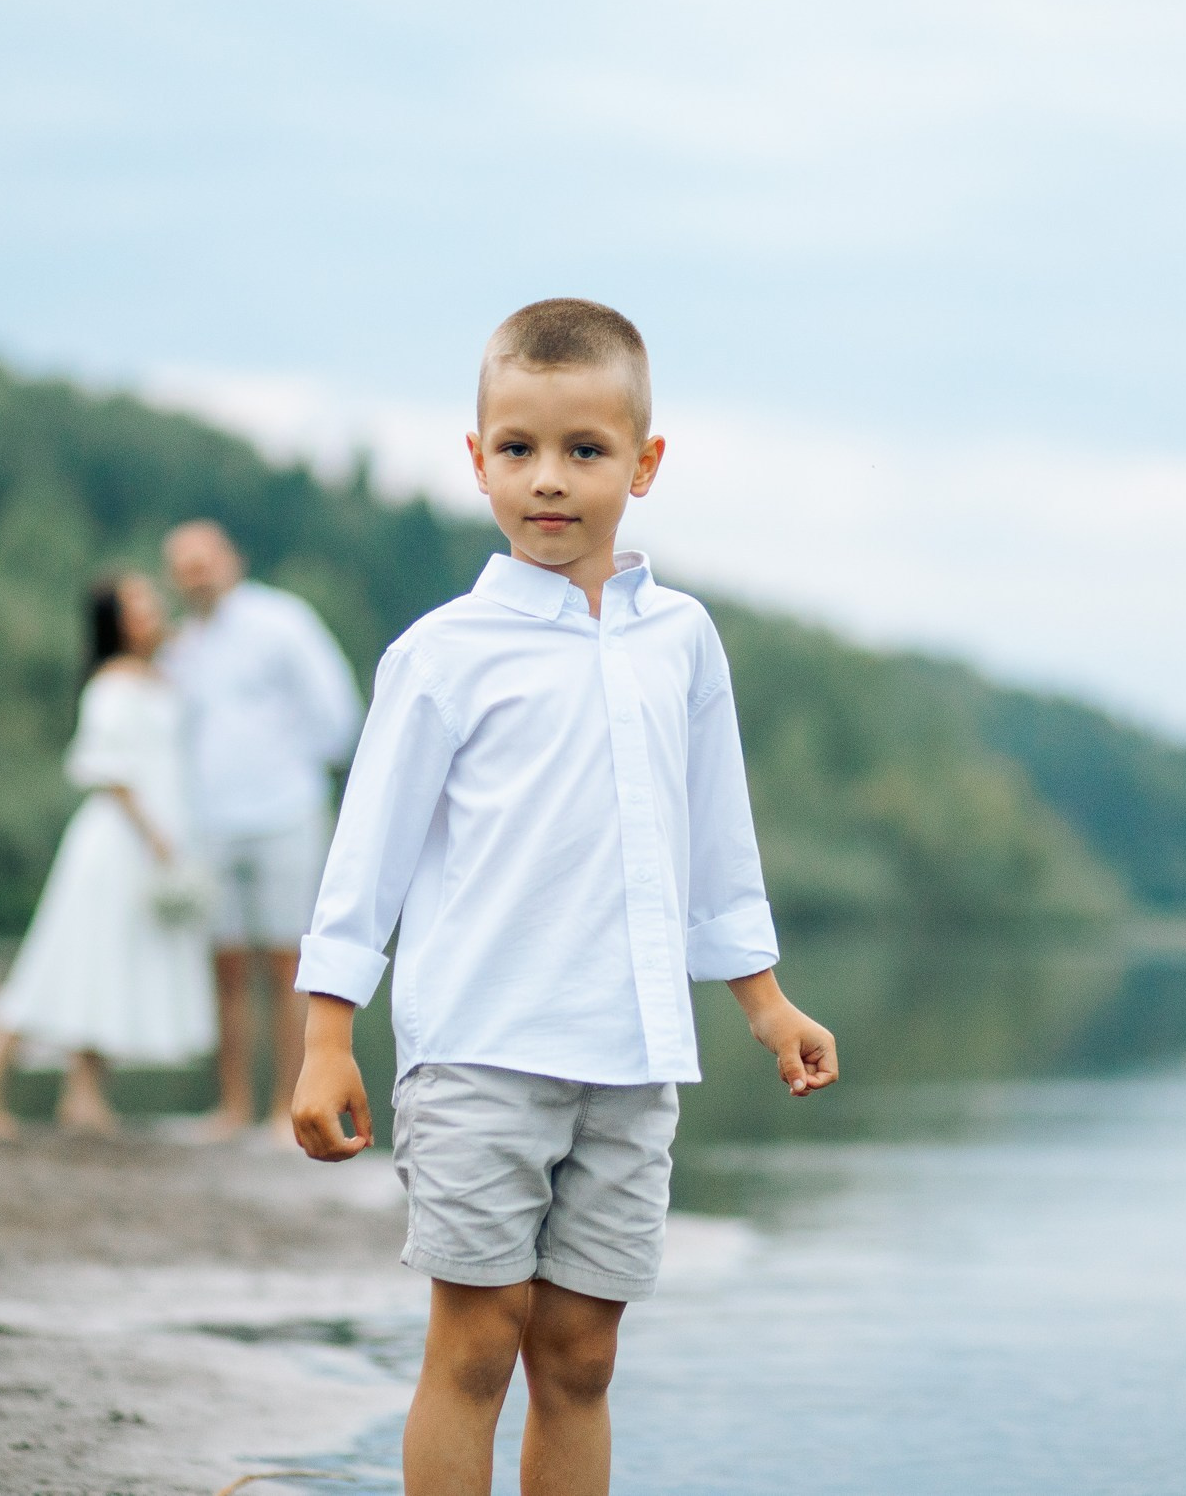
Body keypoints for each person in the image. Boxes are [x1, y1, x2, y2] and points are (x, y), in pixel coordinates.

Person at [288, 299, 840, 1496]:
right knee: (478, 1339)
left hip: (633, 1060)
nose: (550, 481)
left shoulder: (682, 642)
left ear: (643, 465)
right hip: (481, 1050)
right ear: (475, 458)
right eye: (519, 451)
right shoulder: (443, 652)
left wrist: (764, 1001)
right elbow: (364, 859)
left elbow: (716, 840)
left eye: (585, 453)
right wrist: (327, 1036)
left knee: (581, 1355)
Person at [0, 572, 216, 1140]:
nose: (151, 611)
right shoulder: (112, 685)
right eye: (136, 605)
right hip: (116, 844)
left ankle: (85, 1093)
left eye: (151, 601)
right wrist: (156, 835)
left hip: (143, 845)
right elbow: (109, 770)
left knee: (106, 962)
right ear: (115, 621)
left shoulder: (159, 675)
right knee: (63, 958)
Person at [161, 519, 364, 1142]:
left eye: (205, 560)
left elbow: (337, 711)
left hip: (284, 813)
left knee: (287, 963)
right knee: (223, 964)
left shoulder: (283, 622)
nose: (196, 574)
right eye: (183, 565)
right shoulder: (180, 649)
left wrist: (291, 769)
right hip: (211, 822)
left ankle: (285, 1107)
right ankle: (231, 1106)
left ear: (232, 560)